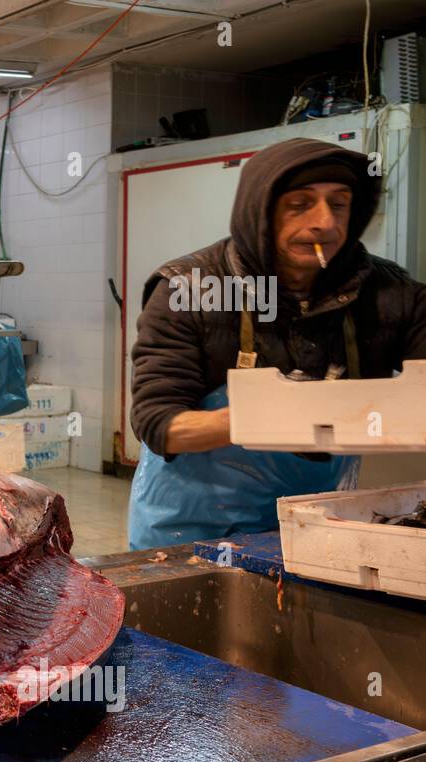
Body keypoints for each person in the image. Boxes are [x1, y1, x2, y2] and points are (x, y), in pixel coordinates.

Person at [128, 138, 426, 549]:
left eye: (338, 203)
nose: (325, 222)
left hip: (321, 521)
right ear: (261, 212)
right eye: (300, 204)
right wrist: (276, 416)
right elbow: (159, 425)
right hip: (194, 527)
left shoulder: (388, 293)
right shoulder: (192, 290)